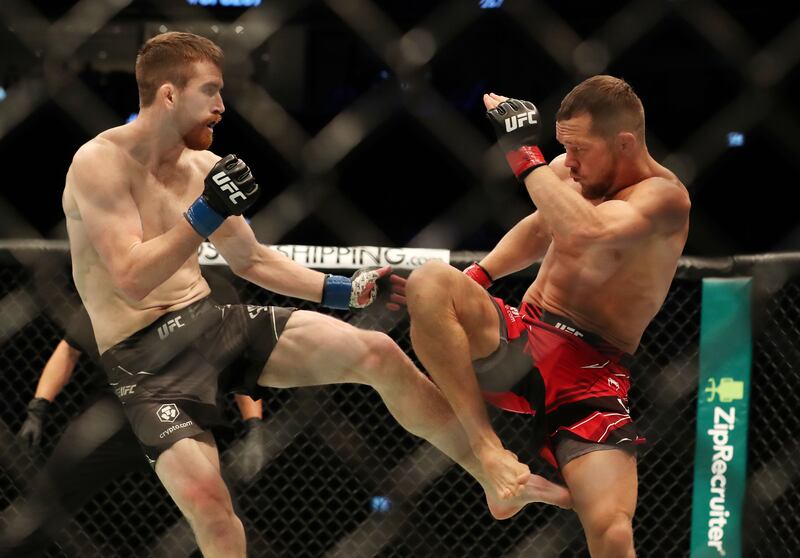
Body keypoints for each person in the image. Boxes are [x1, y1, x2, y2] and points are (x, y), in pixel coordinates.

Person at [61, 31, 569, 557]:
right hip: (144, 358)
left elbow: (250, 260)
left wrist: (344, 290)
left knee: (377, 352)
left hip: (209, 321)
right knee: (210, 505)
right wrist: (203, 215)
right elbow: (131, 277)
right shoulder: (99, 163)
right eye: (209, 91)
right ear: (169, 95)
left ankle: (493, 474)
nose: (221, 106)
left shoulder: (204, 169)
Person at [404, 76, 691, 557]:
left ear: (624, 143)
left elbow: (587, 232)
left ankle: (547, 489)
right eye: (563, 149)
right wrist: (477, 278)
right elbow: (542, 227)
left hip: (590, 370)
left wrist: (524, 156)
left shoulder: (664, 198)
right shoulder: (570, 171)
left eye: (579, 149)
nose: (569, 162)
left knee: (613, 530)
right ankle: (489, 452)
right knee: (430, 280)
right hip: (523, 334)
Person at [1, 289, 267, 557]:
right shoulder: (113, 285)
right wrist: (38, 407)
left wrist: (255, 426)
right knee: (44, 503)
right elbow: (69, 350)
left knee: (217, 513)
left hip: (182, 417)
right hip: (116, 413)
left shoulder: (212, 292)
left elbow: (237, 365)